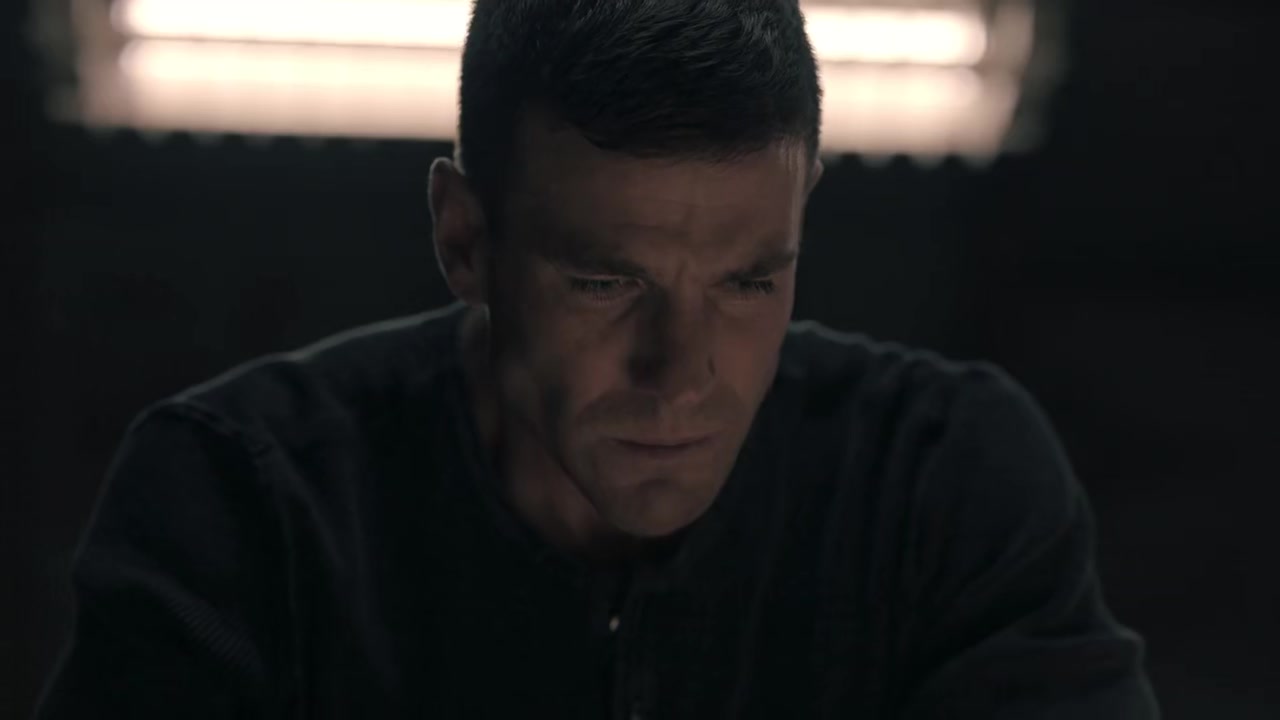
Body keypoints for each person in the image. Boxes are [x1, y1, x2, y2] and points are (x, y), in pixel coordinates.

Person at [37, 1, 1160, 717]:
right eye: (604, 283)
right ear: (464, 241)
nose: (681, 373)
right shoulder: (244, 500)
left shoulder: (941, 483)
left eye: (747, 282)